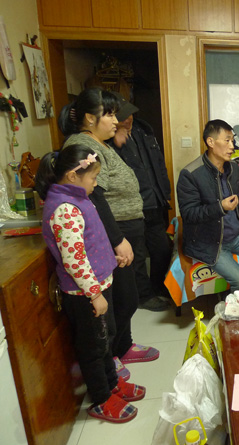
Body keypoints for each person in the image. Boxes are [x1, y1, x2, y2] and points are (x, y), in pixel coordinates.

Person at [36, 145, 146, 423]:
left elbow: (91, 241)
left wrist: (109, 259)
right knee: (94, 347)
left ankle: (112, 384)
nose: (96, 184)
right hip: (84, 293)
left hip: (97, 285)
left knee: (105, 340)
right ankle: (101, 398)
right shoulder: (65, 208)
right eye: (93, 178)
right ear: (73, 176)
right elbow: (75, 260)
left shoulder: (79, 198)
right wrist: (95, 295)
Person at [58, 87, 159, 381]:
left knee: (127, 297)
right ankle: (113, 354)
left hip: (125, 227)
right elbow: (95, 197)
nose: (116, 120)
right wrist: (117, 240)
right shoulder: (83, 146)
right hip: (114, 231)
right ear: (90, 118)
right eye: (110, 114)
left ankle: (124, 346)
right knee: (121, 300)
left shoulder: (99, 143)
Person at [177, 119, 239, 292]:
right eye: (227, 140)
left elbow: (237, 201)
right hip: (208, 241)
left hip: (235, 235)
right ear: (210, 142)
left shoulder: (233, 169)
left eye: (233, 141)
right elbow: (189, 214)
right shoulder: (191, 174)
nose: (232, 146)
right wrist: (220, 207)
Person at [109, 96, 172, 311]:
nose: (128, 119)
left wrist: (165, 191)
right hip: (131, 207)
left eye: (130, 114)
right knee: (136, 254)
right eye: (123, 116)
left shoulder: (143, 130)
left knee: (161, 248)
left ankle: (159, 286)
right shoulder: (108, 140)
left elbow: (158, 164)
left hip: (154, 200)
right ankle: (143, 296)